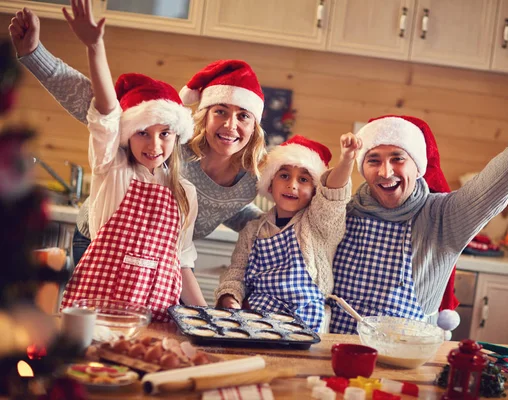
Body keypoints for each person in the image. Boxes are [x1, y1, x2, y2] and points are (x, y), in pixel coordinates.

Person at [8, 7, 267, 268]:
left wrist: (271, 227)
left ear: (255, 126)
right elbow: (96, 106)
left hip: (157, 255)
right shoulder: (171, 141)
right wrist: (34, 54)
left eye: (243, 115)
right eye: (220, 111)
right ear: (204, 116)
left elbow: (222, 206)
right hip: (98, 238)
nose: (230, 125)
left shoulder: (254, 178)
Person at [329, 104, 508, 335]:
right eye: (373, 160)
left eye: (397, 158)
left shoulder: (443, 218)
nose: (385, 172)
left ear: (418, 166)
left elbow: (493, 186)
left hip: (406, 361)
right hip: (334, 355)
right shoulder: (344, 213)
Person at [57, 0, 206, 320]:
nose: (154, 144)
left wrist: (207, 318)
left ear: (177, 136)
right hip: (99, 314)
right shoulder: (113, 171)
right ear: (126, 136)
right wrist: (94, 46)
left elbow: (181, 261)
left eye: (165, 133)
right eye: (142, 132)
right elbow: (106, 116)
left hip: (158, 318)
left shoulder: (185, 193)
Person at [215, 133, 359, 332]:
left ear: (316, 190)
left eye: (303, 179)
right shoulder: (252, 230)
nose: (292, 185)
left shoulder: (318, 224)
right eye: (284, 176)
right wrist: (230, 297)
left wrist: (347, 161)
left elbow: (333, 197)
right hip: (255, 317)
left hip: (303, 321)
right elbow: (236, 273)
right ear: (270, 183)